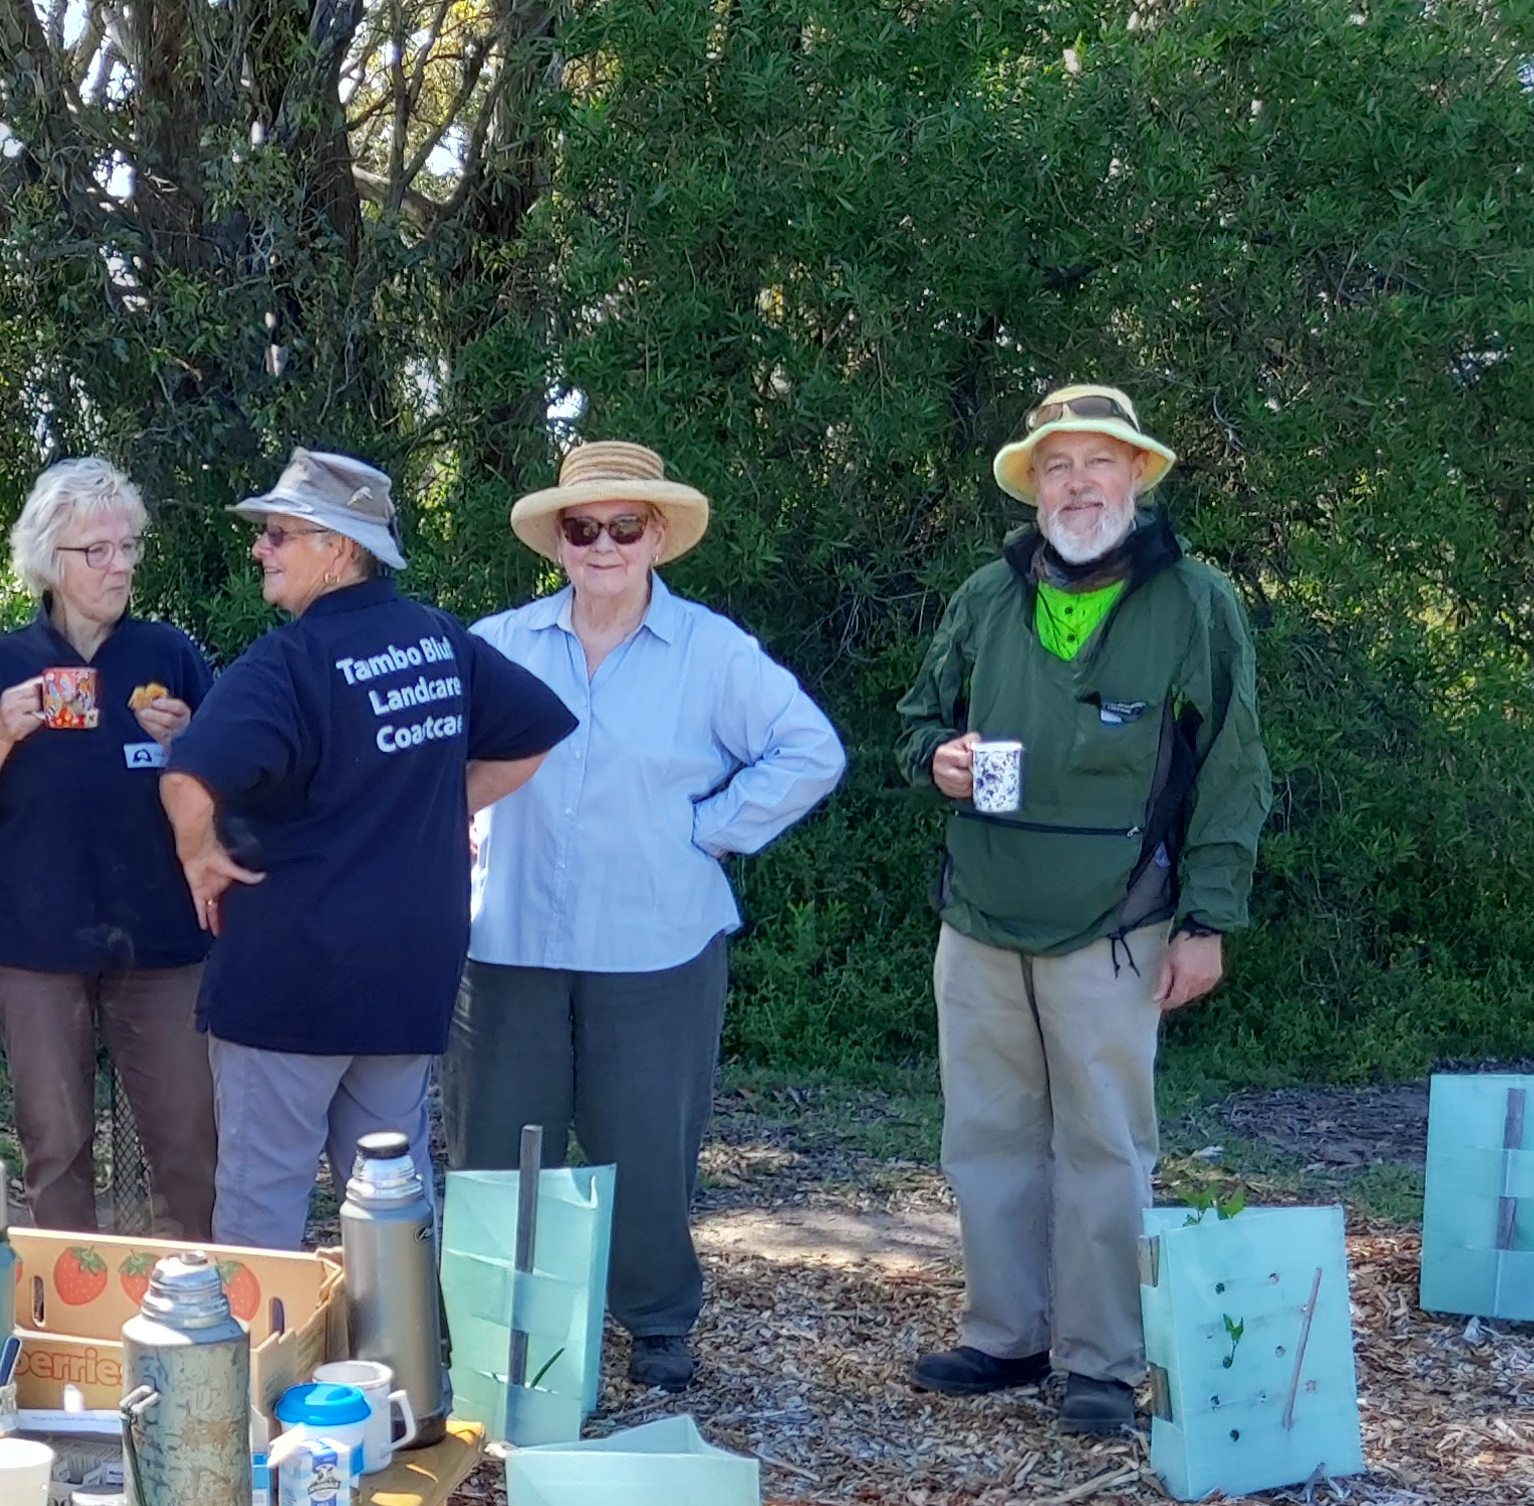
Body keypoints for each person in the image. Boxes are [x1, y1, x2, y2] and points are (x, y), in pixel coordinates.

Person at [894, 383, 1269, 1440]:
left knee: (1106, 1144)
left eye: (1098, 463)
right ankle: (1005, 1335)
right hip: (978, 919)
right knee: (987, 1136)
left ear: (1137, 477)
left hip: (1119, 926)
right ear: (1034, 485)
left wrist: (1207, 921)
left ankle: (1100, 1363)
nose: (1077, 484)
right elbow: (918, 720)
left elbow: (1236, 768)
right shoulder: (986, 595)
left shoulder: (1196, 602)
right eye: (1057, 466)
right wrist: (939, 759)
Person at [460, 441, 846, 1400]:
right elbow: (431, 760)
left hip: (656, 940)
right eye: (583, 527)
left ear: (658, 537)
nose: (603, 544)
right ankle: (500, 1327)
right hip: (506, 939)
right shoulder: (496, 643)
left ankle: (660, 1323)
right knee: (496, 1142)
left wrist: (706, 830)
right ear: (557, 541)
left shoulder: (712, 652)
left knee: (647, 1145)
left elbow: (810, 751)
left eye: (623, 527)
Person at [158, 449, 575, 1252]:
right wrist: (438, 802)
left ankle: (253, 1375)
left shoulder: (288, 663)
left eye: (281, 534)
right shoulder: (436, 641)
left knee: (261, 1207)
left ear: (340, 548)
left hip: (288, 983)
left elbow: (187, 776)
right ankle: (406, 1370)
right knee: (392, 1198)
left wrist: (199, 858)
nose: (261, 549)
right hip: (406, 976)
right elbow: (537, 734)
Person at [0, 458, 220, 1236]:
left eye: (128, 547)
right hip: (34, 944)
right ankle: (74, 1319)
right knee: (55, 1147)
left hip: (162, 944)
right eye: (98, 550)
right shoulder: (3, 665)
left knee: (189, 1142)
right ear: (51, 559)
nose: (119, 565)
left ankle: (192, 1316)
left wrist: (193, 740)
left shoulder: (168, 655)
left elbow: (238, 787)